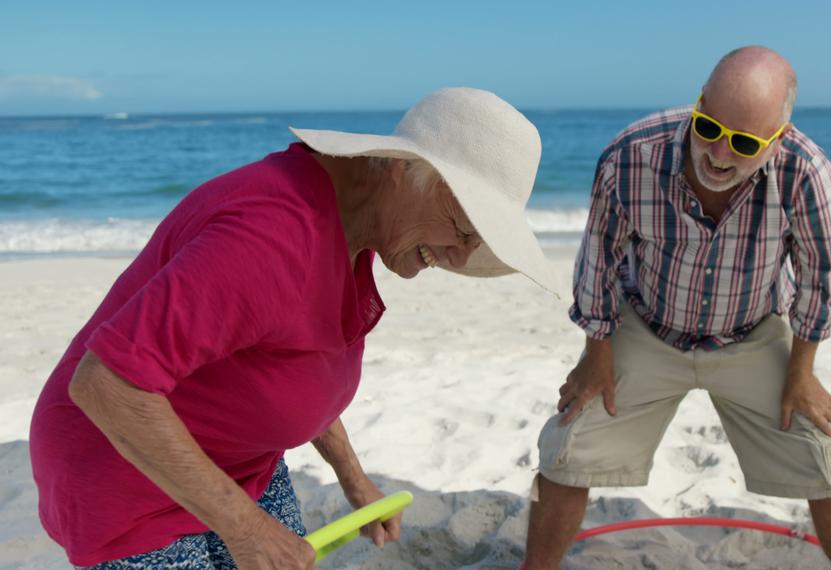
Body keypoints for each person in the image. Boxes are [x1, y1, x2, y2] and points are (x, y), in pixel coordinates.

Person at [29, 87, 559, 569]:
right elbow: (106, 383)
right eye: (466, 227)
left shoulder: (351, 223)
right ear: (404, 170)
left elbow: (292, 366)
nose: (463, 255)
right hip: (124, 475)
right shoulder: (270, 236)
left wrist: (353, 479)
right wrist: (245, 527)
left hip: (240, 462)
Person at [524, 47, 831, 569]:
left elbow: (819, 283)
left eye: (743, 143)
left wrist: (802, 373)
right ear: (698, 103)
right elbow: (597, 260)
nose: (718, 154)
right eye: (708, 127)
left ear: (777, 140)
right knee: (566, 448)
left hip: (752, 334)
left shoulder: (808, 174)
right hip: (645, 324)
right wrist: (595, 355)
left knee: (830, 463)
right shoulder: (630, 155)